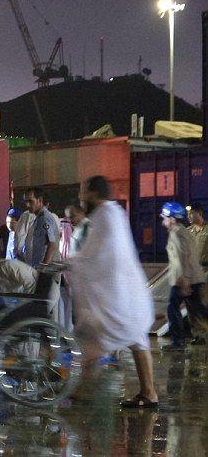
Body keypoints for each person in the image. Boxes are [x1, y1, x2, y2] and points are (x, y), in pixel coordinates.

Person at [65, 175, 157, 408]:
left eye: (83, 192)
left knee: (91, 339)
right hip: (128, 294)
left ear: (94, 194)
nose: (80, 198)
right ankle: (149, 393)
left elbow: (99, 254)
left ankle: (81, 392)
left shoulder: (105, 216)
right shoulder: (112, 214)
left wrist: (73, 263)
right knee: (137, 341)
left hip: (120, 297)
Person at [159, 202, 208, 351]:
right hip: (191, 278)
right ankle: (180, 340)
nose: (163, 221)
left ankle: (178, 342)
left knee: (173, 308)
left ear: (172, 219)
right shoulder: (186, 231)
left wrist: (184, 280)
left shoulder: (177, 233)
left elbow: (182, 257)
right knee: (198, 309)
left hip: (185, 279)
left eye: (165, 218)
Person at [20, 187, 60, 267]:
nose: (27, 205)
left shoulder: (45, 218)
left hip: (48, 271)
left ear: (40, 200)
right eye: (26, 202)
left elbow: (52, 244)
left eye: (30, 201)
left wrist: (44, 269)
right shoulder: (38, 219)